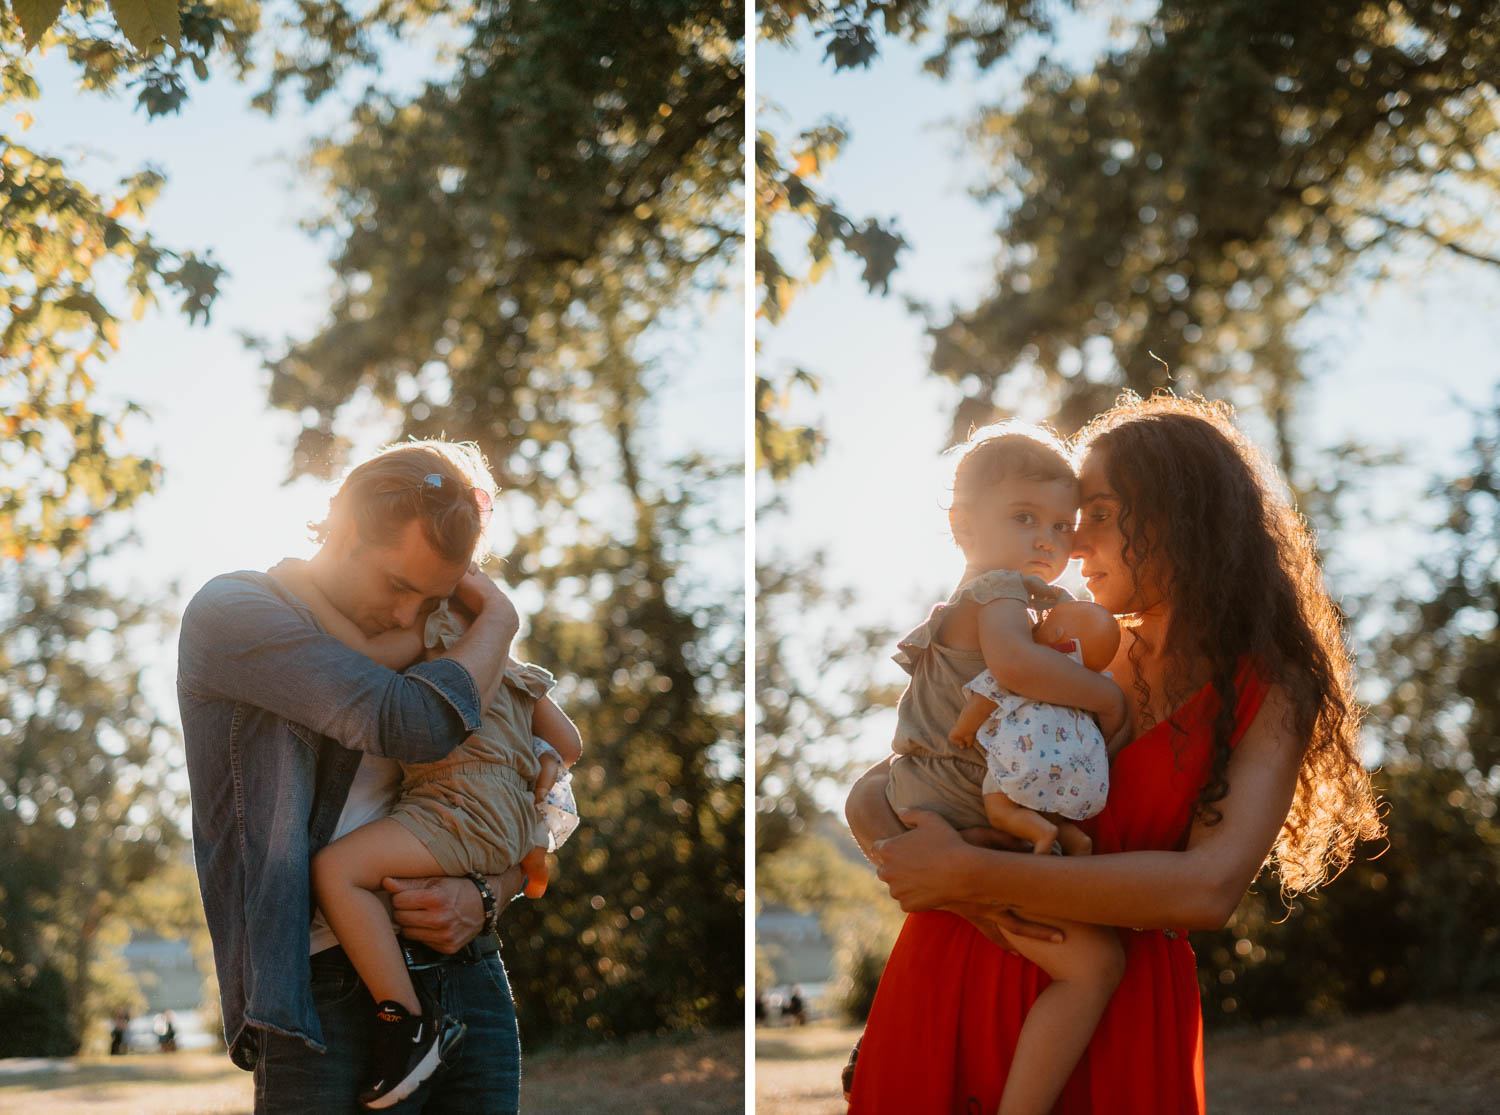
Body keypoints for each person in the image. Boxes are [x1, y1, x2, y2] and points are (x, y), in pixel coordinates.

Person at [845, 393, 1383, 1114]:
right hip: (951, 967)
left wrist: (975, 871)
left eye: (1096, 513)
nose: (1071, 543)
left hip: (1113, 1008)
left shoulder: (1272, 687)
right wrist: (939, 876)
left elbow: (1208, 889)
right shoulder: (1063, 649)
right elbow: (884, 786)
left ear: (1179, 517)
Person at [179, 439, 532, 1114]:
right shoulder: (234, 613)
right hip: (322, 985)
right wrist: (503, 620)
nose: (409, 616)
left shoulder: (445, 629)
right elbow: (412, 721)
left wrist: (487, 893)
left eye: (430, 597)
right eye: (399, 585)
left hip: (468, 965)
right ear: (342, 526)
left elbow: (533, 787)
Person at [875, 425, 1131, 1115]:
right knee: (1095, 965)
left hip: (933, 787)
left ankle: (1056, 844)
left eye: (1060, 524)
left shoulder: (977, 598)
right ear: (962, 526)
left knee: (1057, 857)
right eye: (1024, 518)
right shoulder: (999, 595)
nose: (1048, 539)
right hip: (956, 799)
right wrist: (1106, 695)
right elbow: (1017, 666)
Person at [266, 560, 583, 1108]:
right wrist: (538, 764)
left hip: (455, 808)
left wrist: (300, 593)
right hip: (504, 822)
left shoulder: (431, 640)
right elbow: (570, 744)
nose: (397, 610)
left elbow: (355, 656)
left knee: (335, 871)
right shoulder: (510, 668)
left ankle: (407, 1021)